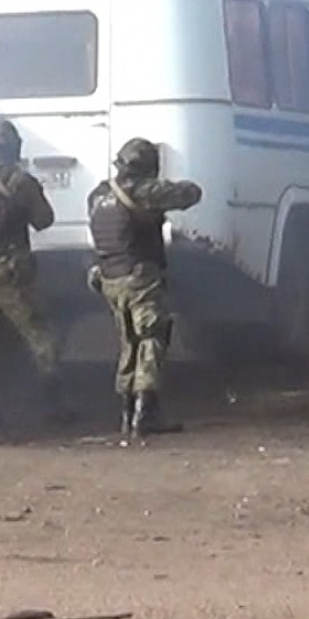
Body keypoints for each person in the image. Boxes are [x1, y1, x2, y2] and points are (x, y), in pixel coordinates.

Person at [86, 137, 203, 439]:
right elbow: (190, 194)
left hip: (110, 279)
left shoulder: (98, 195)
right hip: (140, 278)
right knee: (152, 338)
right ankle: (145, 413)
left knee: (128, 342)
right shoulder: (143, 191)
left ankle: (126, 413)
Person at [0, 118, 67, 426]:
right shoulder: (19, 181)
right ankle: (53, 409)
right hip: (8, 270)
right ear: (13, 148)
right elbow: (44, 220)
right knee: (43, 338)